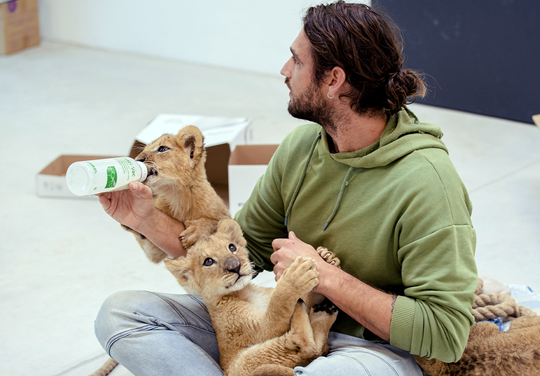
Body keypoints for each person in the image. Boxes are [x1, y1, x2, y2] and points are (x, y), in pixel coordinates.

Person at [94, 2, 478, 375]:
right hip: (279, 321)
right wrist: (144, 219)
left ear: (334, 80)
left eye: (296, 61)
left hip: (371, 350)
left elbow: (446, 335)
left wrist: (326, 278)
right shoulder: (301, 147)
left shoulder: (428, 183)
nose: (284, 70)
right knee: (120, 315)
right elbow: (242, 255)